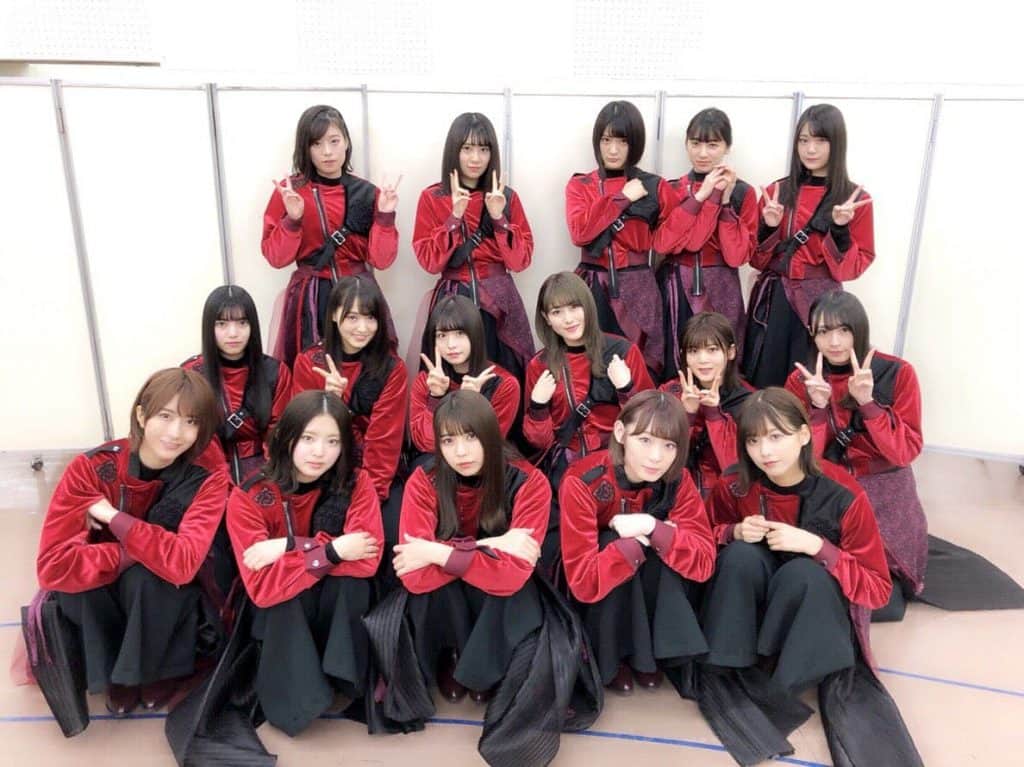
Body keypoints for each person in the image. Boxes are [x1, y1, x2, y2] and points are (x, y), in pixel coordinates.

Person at [363, 391, 602, 766]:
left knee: (512, 592)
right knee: (428, 593)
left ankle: (487, 671)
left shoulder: (530, 481)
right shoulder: (424, 479)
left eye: (471, 437)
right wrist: (493, 543)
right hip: (447, 587)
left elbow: (511, 575)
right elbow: (415, 577)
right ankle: (452, 658)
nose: (460, 452)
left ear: (491, 433)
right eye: (448, 441)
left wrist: (439, 551)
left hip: (499, 590)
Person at [699, 388, 920, 766]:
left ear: (804, 435)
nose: (764, 451)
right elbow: (702, 538)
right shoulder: (736, 483)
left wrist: (819, 547)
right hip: (755, 608)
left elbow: (878, 589)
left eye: (776, 436)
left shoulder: (843, 493)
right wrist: (731, 532)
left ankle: (786, 673)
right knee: (738, 557)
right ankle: (733, 660)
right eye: (753, 440)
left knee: (804, 573)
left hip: (810, 615)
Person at [35, 369, 227, 717]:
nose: (175, 432)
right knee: (89, 582)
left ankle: (153, 672)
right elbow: (52, 566)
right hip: (102, 588)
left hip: (159, 590)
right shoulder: (91, 468)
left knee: (153, 578)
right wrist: (130, 551)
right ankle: (114, 672)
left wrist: (113, 518)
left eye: (191, 421)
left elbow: (183, 564)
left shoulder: (208, 476)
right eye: (165, 416)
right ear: (141, 415)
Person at [225, 391, 383, 736]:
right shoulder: (249, 494)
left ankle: (342, 678)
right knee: (283, 596)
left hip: (331, 598)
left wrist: (289, 546)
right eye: (308, 438)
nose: (319, 452)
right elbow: (263, 587)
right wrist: (330, 551)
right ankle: (299, 700)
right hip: (282, 607)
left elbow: (368, 559)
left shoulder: (357, 482)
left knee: (352, 584)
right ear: (286, 437)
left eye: (332, 441)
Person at [559, 390, 716, 695]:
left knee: (665, 548)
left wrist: (651, 527)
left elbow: (704, 562)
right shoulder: (583, 481)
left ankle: (648, 655)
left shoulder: (678, 480)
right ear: (620, 432)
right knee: (611, 541)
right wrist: (635, 544)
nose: (656, 457)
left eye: (669, 445)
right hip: (595, 590)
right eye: (645, 440)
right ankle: (613, 658)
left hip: (646, 578)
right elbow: (583, 581)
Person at [785, 290, 927, 619]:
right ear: (812, 334)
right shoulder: (802, 380)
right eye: (824, 331)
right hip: (829, 488)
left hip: (885, 487)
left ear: (859, 330)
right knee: (812, 573)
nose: (834, 342)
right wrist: (818, 409)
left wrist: (868, 403)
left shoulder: (897, 372)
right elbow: (803, 460)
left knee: (881, 593)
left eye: (844, 330)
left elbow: (904, 452)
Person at [742, 103, 874, 388]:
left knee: (812, 381)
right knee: (765, 377)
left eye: (820, 140)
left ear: (836, 143)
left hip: (821, 303)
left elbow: (852, 269)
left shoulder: (854, 199)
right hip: (774, 299)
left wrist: (840, 230)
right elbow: (755, 259)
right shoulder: (776, 192)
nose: (810, 149)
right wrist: (770, 227)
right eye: (803, 140)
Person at [263, 104, 399, 365]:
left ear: (346, 141)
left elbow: (382, 261)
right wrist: (292, 220)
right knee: (312, 369)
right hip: (310, 297)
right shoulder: (290, 191)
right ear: (305, 148)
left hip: (359, 293)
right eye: (316, 144)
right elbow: (276, 258)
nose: (327, 151)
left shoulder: (367, 192)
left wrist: (384, 216)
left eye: (334, 141)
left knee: (367, 370)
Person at [412, 112, 534, 379]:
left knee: (503, 377)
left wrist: (499, 218)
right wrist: (454, 217)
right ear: (454, 150)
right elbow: (430, 262)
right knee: (450, 378)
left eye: (483, 149)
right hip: (453, 300)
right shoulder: (432, 197)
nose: (475, 158)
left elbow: (520, 261)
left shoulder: (506, 197)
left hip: (500, 300)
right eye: (467, 148)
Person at [565, 100, 675, 377]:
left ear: (634, 144)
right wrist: (622, 198)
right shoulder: (581, 184)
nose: (613, 150)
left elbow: (669, 240)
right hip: (592, 286)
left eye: (622, 141)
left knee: (640, 362)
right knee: (590, 363)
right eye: (606, 140)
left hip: (639, 284)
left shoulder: (656, 186)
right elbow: (580, 233)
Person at [524, 271, 654, 487]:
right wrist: (538, 406)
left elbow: (650, 422)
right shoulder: (540, 365)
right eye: (557, 312)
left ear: (588, 306)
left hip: (618, 465)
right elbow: (540, 442)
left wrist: (626, 389)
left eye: (575, 307)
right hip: (567, 472)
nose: (568, 319)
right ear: (547, 318)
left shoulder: (622, 351)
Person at [653, 108, 756, 379]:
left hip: (722, 284)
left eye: (713, 145)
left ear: (727, 147)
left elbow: (737, 256)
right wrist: (701, 196)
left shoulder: (743, 192)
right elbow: (663, 244)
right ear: (686, 144)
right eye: (695, 143)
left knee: (722, 360)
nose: (702, 153)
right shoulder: (672, 188)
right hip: (676, 284)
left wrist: (725, 202)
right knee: (677, 360)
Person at [292, 276, 407, 502]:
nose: (362, 328)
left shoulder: (392, 368)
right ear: (334, 315)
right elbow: (302, 432)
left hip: (372, 472)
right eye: (352, 317)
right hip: (320, 470)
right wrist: (328, 401)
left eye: (370, 317)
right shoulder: (310, 362)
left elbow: (384, 441)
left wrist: (368, 498)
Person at [183, 285, 292, 484]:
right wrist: (220, 480)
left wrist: (267, 477)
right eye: (222, 324)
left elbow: (278, 432)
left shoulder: (275, 371)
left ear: (253, 326)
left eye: (242, 323)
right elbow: (192, 433)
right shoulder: (192, 373)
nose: (233, 333)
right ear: (209, 327)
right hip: (206, 471)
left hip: (262, 468)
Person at [410, 294, 520, 456]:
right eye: (442, 335)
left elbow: (486, 445)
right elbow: (425, 444)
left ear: (476, 334)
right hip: (435, 462)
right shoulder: (427, 381)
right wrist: (435, 398)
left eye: (460, 333)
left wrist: (469, 403)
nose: (451, 345)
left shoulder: (504, 384)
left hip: (484, 463)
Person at [660, 312, 754, 498]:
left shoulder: (749, 401)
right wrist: (688, 415)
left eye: (712, 350)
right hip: (675, 493)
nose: (702, 360)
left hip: (724, 498)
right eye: (694, 351)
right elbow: (659, 458)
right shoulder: (669, 392)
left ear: (731, 352)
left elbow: (735, 469)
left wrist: (713, 415)